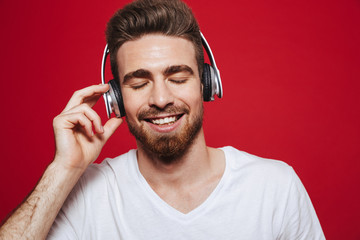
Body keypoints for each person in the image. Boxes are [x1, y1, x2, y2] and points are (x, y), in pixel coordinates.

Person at [0, 0, 325, 239]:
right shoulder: (86, 194)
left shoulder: (274, 187)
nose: (160, 99)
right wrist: (63, 170)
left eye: (178, 78)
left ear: (206, 84)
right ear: (116, 99)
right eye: (139, 83)